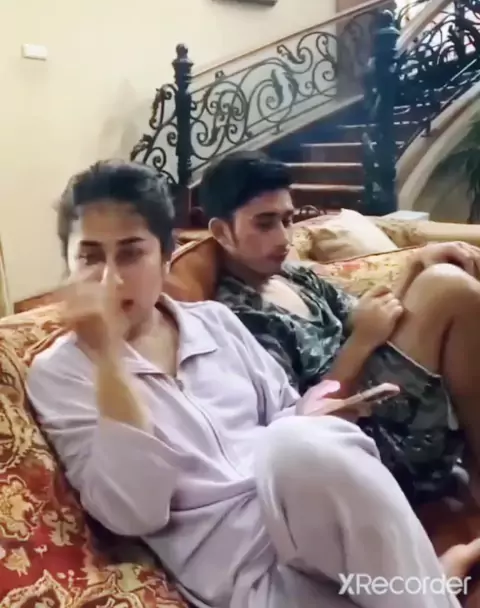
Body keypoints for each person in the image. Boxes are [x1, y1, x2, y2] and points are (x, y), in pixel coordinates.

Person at [27, 160, 480, 608]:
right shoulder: (59, 374)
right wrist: (108, 361)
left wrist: (320, 415)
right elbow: (134, 513)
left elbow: (287, 414)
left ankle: (429, 582)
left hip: (307, 515)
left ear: (165, 258)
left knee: (300, 439)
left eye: (130, 253)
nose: (109, 278)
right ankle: (435, 582)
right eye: (90, 257)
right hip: (242, 572)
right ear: (67, 266)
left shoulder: (215, 322)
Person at [199, 150, 480, 506]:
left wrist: (414, 265)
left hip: (385, 394)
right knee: (447, 287)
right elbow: (298, 422)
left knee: (446, 275)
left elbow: (372, 317)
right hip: (360, 437)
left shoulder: (294, 277)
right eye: (265, 224)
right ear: (222, 232)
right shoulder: (237, 317)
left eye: (287, 220)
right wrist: (360, 342)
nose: (284, 238)